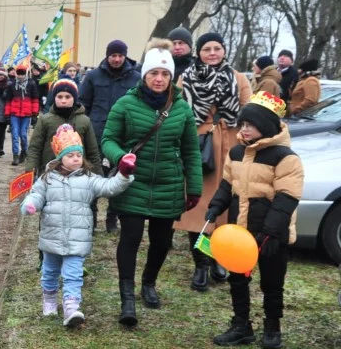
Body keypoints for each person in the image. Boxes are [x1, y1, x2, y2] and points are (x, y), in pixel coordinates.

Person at [102, 39, 203, 327]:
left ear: (171, 77)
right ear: (144, 75)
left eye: (165, 75)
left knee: (161, 241)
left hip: (168, 184)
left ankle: (149, 283)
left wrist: (193, 187)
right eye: (153, 74)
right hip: (132, 182)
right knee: (130, 238)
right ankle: (127, 299)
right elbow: (108, 139)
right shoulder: (125, 104)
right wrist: (121, 157)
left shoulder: (181, 109)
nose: (159, 79)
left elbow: (190, 151)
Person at [205, 92, 304, 349]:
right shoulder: (237, 152)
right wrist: (215, 207)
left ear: (267, 127)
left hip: (272, 234)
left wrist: (271, 232)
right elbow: (227, 185)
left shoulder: (286, 158)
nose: (244, 129)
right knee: (238, 278)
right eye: (243, 124)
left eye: (251, 125)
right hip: (241, 232)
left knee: (272, 281)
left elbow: (287, 197)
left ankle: (273, 325)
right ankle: (241, 325)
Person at [21, 125, 135, 328]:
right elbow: (37, 194)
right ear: (60, 158)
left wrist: (123, 175)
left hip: (77, 239)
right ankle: (49, 300)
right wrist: (31, 205)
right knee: (49, 272)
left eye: (78, 155)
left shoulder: (89, 179)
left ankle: (71, 308)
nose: (76, 159)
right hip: (52, 236)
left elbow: (108, 187)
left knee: (73, 274)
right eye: (71, 155)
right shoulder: (47, 178)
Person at [176, 32, 252, 292]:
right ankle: (200, 263)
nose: (212, 52)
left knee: (224, 207)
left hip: (230, 146)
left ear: (224, 50)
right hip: (199, 146)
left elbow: (249, 111)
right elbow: (177, 111)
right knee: (198, 207)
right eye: (206, 48)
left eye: (216, 48)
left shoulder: (238, 77)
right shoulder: (185, 78)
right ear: (198, 52)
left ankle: (220, 256)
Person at [80, 39, 141, 232]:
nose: (116, 59)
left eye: (120, 55)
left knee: (119, 175)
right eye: (113, 55)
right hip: (95, 134)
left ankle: (112, 218)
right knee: (92, 175)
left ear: (125, 56)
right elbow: (83, 104)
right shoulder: (93, 76)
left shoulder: (136, 79)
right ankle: (91, 214)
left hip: (123, 137)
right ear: (107, 56)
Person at [25, 79, 101, 176]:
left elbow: (93, 152)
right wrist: (30, 171)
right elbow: (35, 148)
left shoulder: (84, 121)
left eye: (67, 97)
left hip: (78, 174)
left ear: (74, 98)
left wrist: (98, 176)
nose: (63, 100)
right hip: (50, 173)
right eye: (59, 97)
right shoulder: (45, 120)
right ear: (54, 98)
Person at [5, 65, 40, 167]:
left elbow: (35, 99)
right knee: (15, 134)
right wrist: (7, 113)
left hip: (26, 113)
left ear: (25, 74)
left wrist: (35, 113)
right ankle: (15, 155)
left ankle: (24, 151)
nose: (20, 76)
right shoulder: (12, 85)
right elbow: (8, 100)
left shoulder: (31, 84)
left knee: (23, 135)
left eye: (22, 74)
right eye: (19, 74)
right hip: (14, 113)